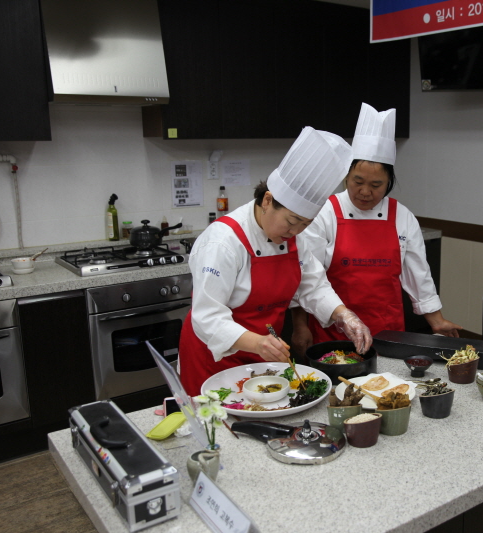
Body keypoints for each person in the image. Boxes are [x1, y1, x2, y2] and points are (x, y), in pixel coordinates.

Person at [179, 127, 373, 395]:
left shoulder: (295, 237)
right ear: (267, 200)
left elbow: (314, 286)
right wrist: (257, 343)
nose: (295, 232)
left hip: (265, 357)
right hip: (214, 359)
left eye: (305, 224)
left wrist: (344, 315)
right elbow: (207, 316)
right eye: (292, 221)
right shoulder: (223, 242)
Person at [291, 103, 461, 355]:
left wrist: (437, 321)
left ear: (389, 182)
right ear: (346, 176)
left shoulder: (402, 216)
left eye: (376, 185)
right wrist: (300, 325)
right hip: (334, 331)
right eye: (357, 181)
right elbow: (306, 276)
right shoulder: (325, 213)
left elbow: (419, 274)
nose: (365, 192)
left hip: (388, 331)